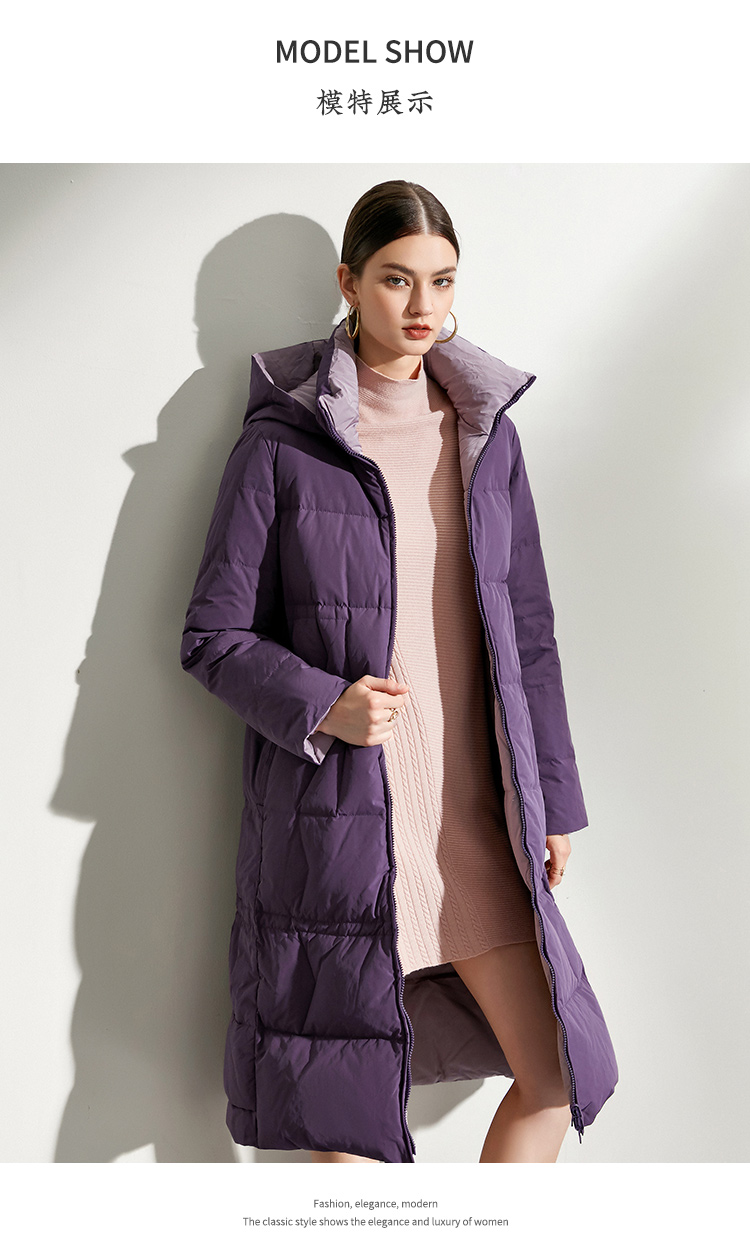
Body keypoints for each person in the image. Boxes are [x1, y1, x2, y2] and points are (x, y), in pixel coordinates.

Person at [180, 180, 618, 1165]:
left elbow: (529, 635)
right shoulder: (283, 447)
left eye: (441, 281)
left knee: (559, 1078)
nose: (422, 305)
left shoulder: (484, 434)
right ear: (349, 283)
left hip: (473, 823)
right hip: (343, 827)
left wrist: (553, 802)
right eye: (395, 279)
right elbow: (212, 636)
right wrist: (325, 704)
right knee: (344, 1122)